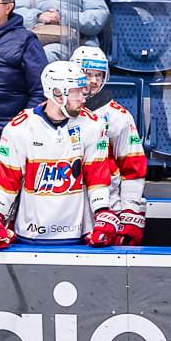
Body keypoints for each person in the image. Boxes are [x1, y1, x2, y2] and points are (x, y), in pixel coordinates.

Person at [0, 59, 115, 247]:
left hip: (77, 235)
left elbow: (97, 177)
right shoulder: (19, 128)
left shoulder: (93, 125)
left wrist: (102, 211)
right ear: (58, 94)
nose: (83, 98)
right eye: (76, 92)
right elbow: (5, 181)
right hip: (30, 235)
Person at [72, 45, 146, 245]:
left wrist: (130, 210)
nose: (94, 81)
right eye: (88, 74)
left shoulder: (118, 116)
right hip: (68, 207)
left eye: (99, 75)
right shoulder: (57, 112)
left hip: (108, 208)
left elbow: (133, 167)